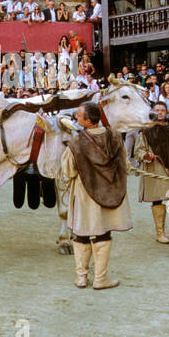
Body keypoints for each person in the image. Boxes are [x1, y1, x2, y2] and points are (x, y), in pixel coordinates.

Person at [61, 101, 131, 290]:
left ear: (88, 120)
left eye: (78, 115)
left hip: (85, 195)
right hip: (111, 191)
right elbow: (126, 164)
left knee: (81, 233)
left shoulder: (76, 142)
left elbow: (68, 171)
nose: (75, 117)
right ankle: (100, 279)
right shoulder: (115, 136)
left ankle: (82, 278)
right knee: (103, 232)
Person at [134, 101, 169, 244]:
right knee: (158, 199)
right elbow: (138, 151)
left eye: (163, 110)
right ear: (153, 113)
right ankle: (160, 233)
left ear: (166, 113)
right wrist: (146, 156)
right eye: (157, 110)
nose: (160, 112)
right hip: (156, 168)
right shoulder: (146, 131)